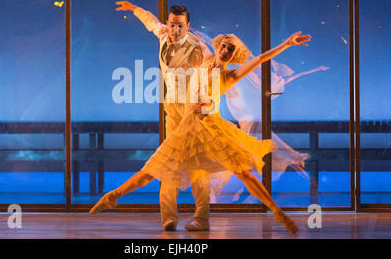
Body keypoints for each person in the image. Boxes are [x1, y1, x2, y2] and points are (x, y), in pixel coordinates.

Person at [90, 29, 311, 234]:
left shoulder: (228, 77)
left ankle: (277, 211)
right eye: (224, 45)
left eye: (231, 49)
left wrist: (287, 43)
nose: (225, 50)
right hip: (188, 128)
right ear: (218, 46)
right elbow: (193, 36)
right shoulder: (204, 59)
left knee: (241, 171)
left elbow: (261, 59)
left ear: (234, 55)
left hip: (212, 128)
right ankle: (112, 196)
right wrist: (172, 27)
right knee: (153, 169)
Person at [91, 0, 212, 231]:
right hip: (172, 108)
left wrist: (204, 108)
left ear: (188, 26)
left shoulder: (197, 50)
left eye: (181, 26)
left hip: (192, 109)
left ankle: (202, 217)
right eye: (173, 24)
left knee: (196, 164)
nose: (175, 30)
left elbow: (208, 79)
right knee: (168, 162)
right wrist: (133, 8)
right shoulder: (163, 34)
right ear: (168, 23)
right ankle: (169, 217)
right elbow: (149, 20)